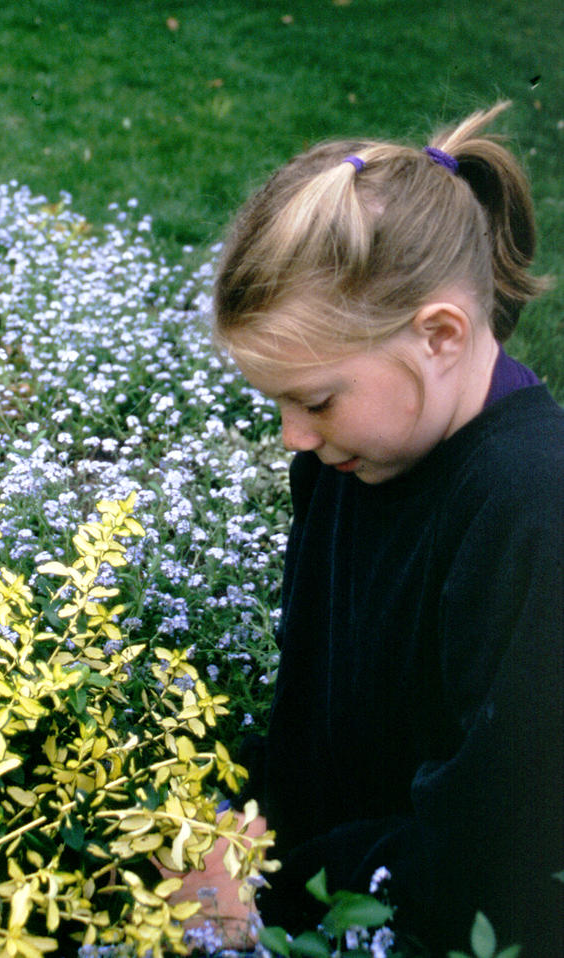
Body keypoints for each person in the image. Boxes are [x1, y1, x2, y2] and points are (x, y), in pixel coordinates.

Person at [202, 102, 564, 955]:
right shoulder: (351, 459)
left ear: (440, 334)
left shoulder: (534, 510)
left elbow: (498, 846)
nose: (293, 435)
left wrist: (261, 884)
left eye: (316, 399)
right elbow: (314, 716)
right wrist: (226, 824)